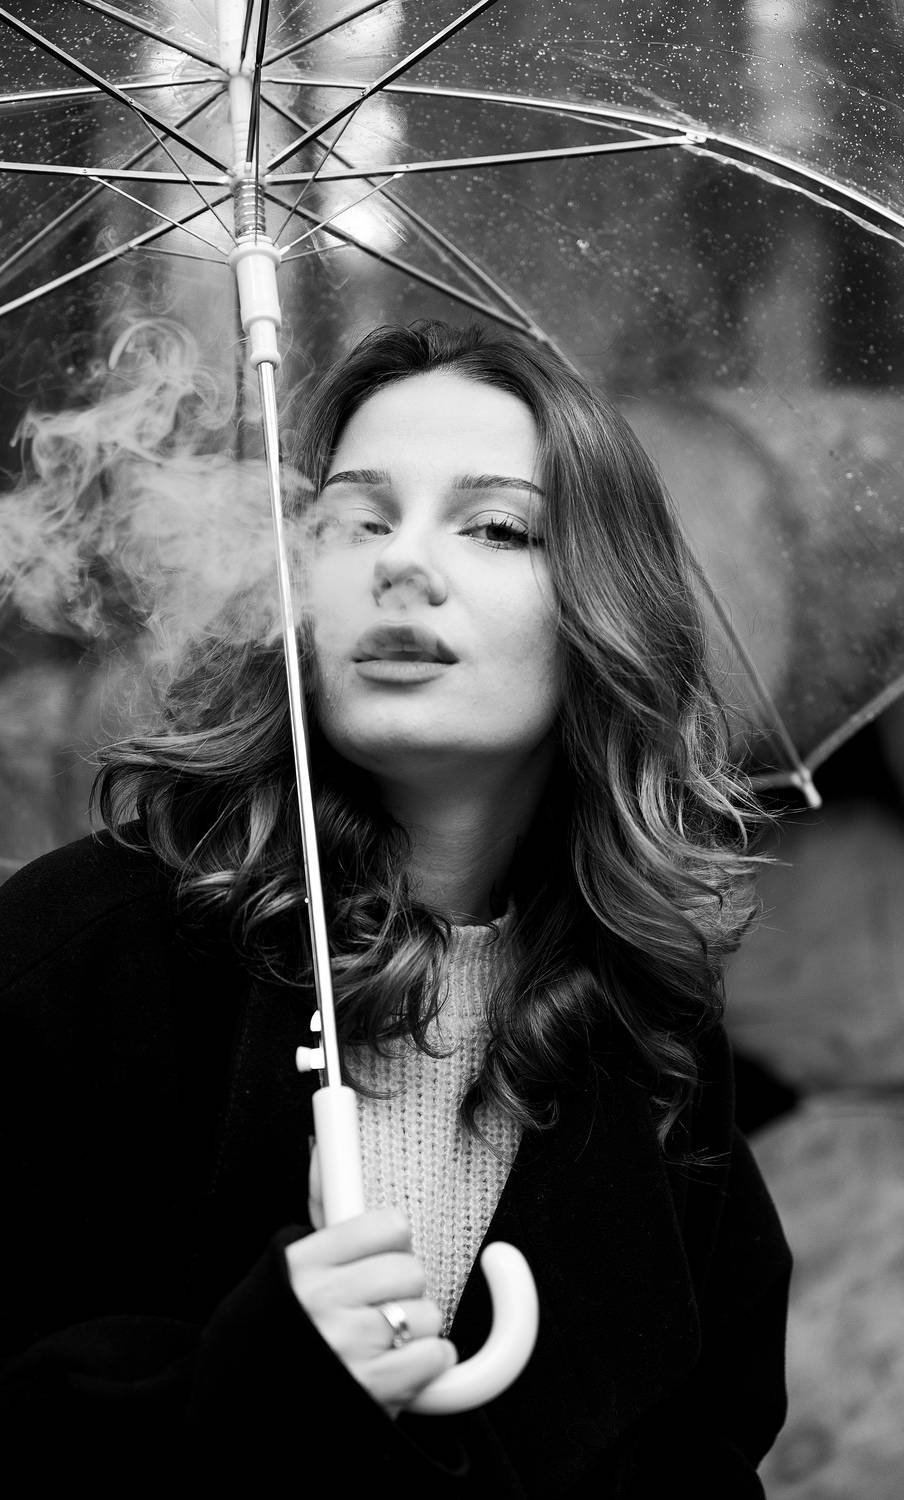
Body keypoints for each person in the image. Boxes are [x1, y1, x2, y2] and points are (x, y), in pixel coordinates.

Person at [0, 319, 791, 1493]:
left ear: (602, 612)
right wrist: (249, 1386)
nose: (399, 564)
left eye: (495, 527)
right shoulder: (80, 957)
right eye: (356, 522)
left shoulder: (646, 1028)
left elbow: (708, 1434)